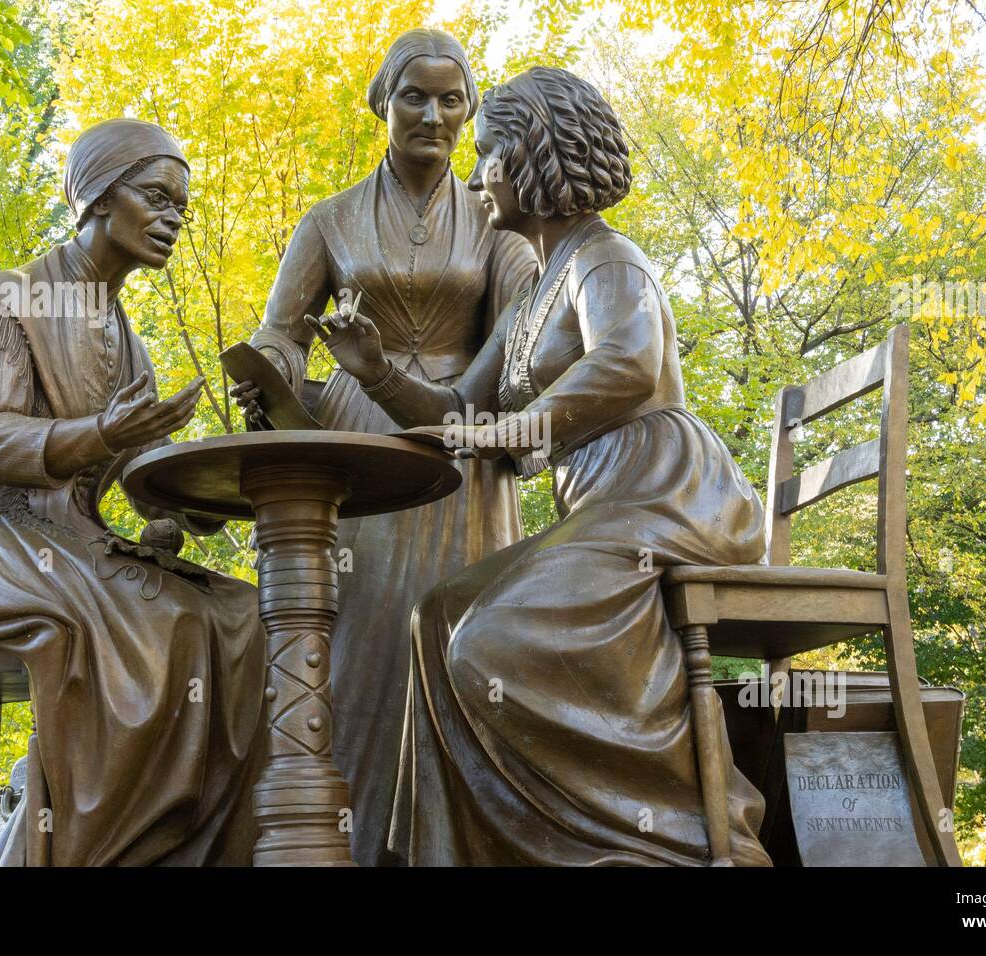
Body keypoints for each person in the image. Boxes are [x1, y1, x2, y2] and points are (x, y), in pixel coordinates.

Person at [310, 67, 773, 865]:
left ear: (532, 156)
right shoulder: (530, 300)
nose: (477, 172)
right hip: (600, 506)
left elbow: (628, 361)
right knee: (436, 619)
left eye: (488, 152)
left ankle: (670, 840)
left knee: (491, 645)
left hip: (665, 495)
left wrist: (510, 429)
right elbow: (459, 407)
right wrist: (376, 371)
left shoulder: (607, 258)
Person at [0, 119, 265, 866]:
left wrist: (230, 483)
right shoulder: (11, 298)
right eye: (157, 197)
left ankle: (179, 850)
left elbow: (152, 487)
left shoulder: (131, 343)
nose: (172, 219)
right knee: (160, 623)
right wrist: (101, 434)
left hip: (67, 547)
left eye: (181, 208)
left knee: (242, 613)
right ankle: (75, 851)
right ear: (95, 194)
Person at [230, 28, 537, 865]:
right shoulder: (328, 220)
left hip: (457, 447)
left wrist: (467, 404)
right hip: (356, 443)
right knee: (354, 640)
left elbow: (523, 328)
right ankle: (343, 843)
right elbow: (280, 332)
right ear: (382, 103)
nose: (432, 115)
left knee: (458, 639)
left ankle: (453, 845)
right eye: (414, 96)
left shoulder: (497, 219)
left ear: (471, 111)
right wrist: (269, 373)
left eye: (451, 99)